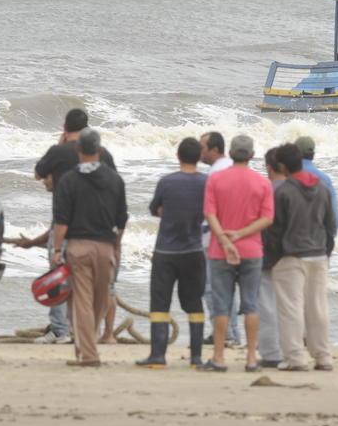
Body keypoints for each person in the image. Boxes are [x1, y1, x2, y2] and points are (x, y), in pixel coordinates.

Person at [19, 108, 117, 345]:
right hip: (96, 223)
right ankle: (92, 332)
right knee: (97, 281)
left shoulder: (58, 151)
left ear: (65, 127)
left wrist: (57, 146)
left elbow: (37, 174)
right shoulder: (102, 153)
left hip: (63, 219)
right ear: (87, 130)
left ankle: (60, 329)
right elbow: (113, 181)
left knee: (59, 273)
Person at [52, 129, 128, 367]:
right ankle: (87, 349)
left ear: (78, 150)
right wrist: (117, 246)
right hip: (106, 247)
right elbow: (122, 219)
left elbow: (62, 222)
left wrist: (56, 250)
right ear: (100, 150)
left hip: (78, 247)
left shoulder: (69, 180)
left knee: (82, 301)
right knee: (100, 302)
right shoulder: (115, 180)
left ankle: (87, 352)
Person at [201, 135, 274, 372]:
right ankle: (252, 358)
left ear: (230, 153)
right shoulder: (262, 183)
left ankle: (219, 356)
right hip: (252, 249)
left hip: (219, 250)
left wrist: (224, 237)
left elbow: (209, 214)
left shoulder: (216, 179)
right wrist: (241, 234)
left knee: (221, 304)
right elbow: (267, 218)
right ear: (252, 155)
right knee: (251, 304)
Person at [136, 138, 208, 369]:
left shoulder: (167, 182)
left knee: (160, 303)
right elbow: (210, 212)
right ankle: (196, 358)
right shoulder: (206, 182)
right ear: (199, 157)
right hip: (195, 250)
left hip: (166, 251)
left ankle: (158, 356)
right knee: (195, 303)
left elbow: (154, 209)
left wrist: (168, 214)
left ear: (178, 155)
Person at [268, 143, 337, 371]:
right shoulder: (322, 187)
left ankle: (296, 358)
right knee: (318, 307)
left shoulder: (284, 191)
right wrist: (326, 250)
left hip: (291, 255)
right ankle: (323, 356)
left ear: (283, 166)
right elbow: (331, 224)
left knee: (291, 308)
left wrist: (272, 257)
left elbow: (275, 229)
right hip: (318, 254)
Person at [200, 131, 240, 347]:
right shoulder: (231, 168)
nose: (200, 152)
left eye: (203, 147)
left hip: (218, 239)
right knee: (227, 289)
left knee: (213, 288)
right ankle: (228, 332)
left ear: (215, 149)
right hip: (235, 236)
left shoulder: (216, 173)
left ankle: (225, 333)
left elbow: (211, 211)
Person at [258, 147, 285, 368]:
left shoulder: (265, 190)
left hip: (267, 255)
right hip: (296, 255)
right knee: (292, 304)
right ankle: (294, 349)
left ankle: (271, 352)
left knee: (266, 304)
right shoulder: (304, 188)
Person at [295, 136, 338, 227]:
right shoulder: (325, 179)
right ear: (313, 154)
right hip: (318, 235)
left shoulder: (287, 177)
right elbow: (334, 216)